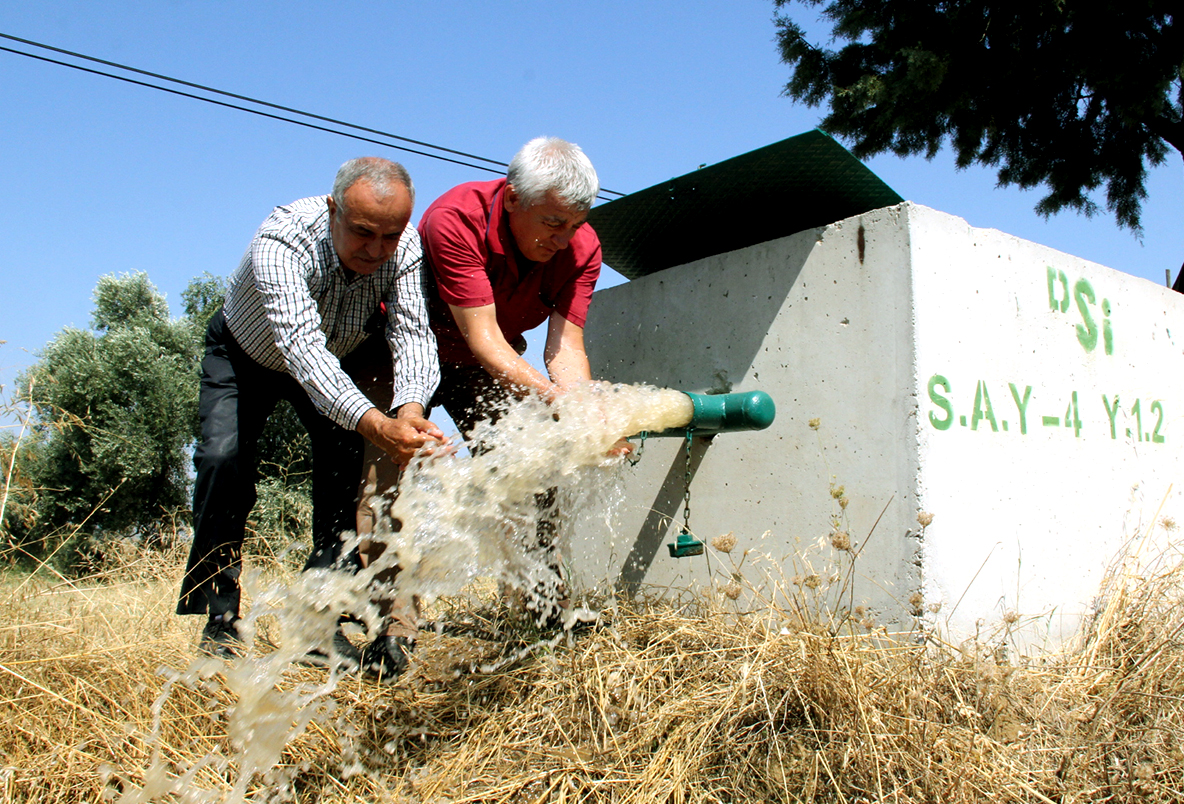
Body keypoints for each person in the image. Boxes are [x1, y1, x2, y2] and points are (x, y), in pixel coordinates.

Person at [176, 157, 446, 667]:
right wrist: (375, 421)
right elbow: (301, 348)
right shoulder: (281, 240)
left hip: (334, 363)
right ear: (332, 210)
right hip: (245, 356)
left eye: (390, 236)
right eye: (363, 233)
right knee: (221, 462)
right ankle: (219, 621)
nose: (376, 250)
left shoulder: (403, 249)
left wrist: (408, 410)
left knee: (347, 481)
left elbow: (412, 333)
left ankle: (319, 624)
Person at [412, 136, 629, 636]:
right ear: (512, 199)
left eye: (574, 224)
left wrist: (587, 415)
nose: (563, 238)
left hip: (487, 364)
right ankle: (392, 624)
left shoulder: (583, 247)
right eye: (553, 223)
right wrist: (560, 404)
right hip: (414, 351)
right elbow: (483, 337)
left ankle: (543, 610)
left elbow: (566, 349)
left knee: (534, 467)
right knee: (384, 475)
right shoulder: (456, 218)